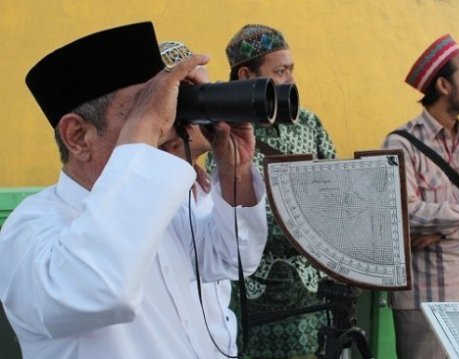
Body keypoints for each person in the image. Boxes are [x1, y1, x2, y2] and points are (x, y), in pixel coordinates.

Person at [0, 22, 268, 359]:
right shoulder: (29, 230)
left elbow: (234, 257)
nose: (166, 123)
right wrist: (146, 127)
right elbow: (97, 287)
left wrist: (236, 171)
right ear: (78, 137)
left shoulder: (167, 204)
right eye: (147, 110)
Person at [209, 24, 337, 358]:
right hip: (252, 295)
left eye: (291, 69)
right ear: (246, 76)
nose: (291, 80)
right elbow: (224, 214)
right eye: (280, 72)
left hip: (311, 291)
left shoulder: (310, 124)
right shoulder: (221, 132)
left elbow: (337, 192)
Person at [382, 34, 459, 359]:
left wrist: (441, 231)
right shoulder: (402, 144)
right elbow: (406, 213)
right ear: (443, 85)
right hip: (425, 299)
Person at [158, 40, 245, 358]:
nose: (209, 107)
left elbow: (236, 261)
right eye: (195, 96)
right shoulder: (142, 193)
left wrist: (235, 171)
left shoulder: (205, 186)